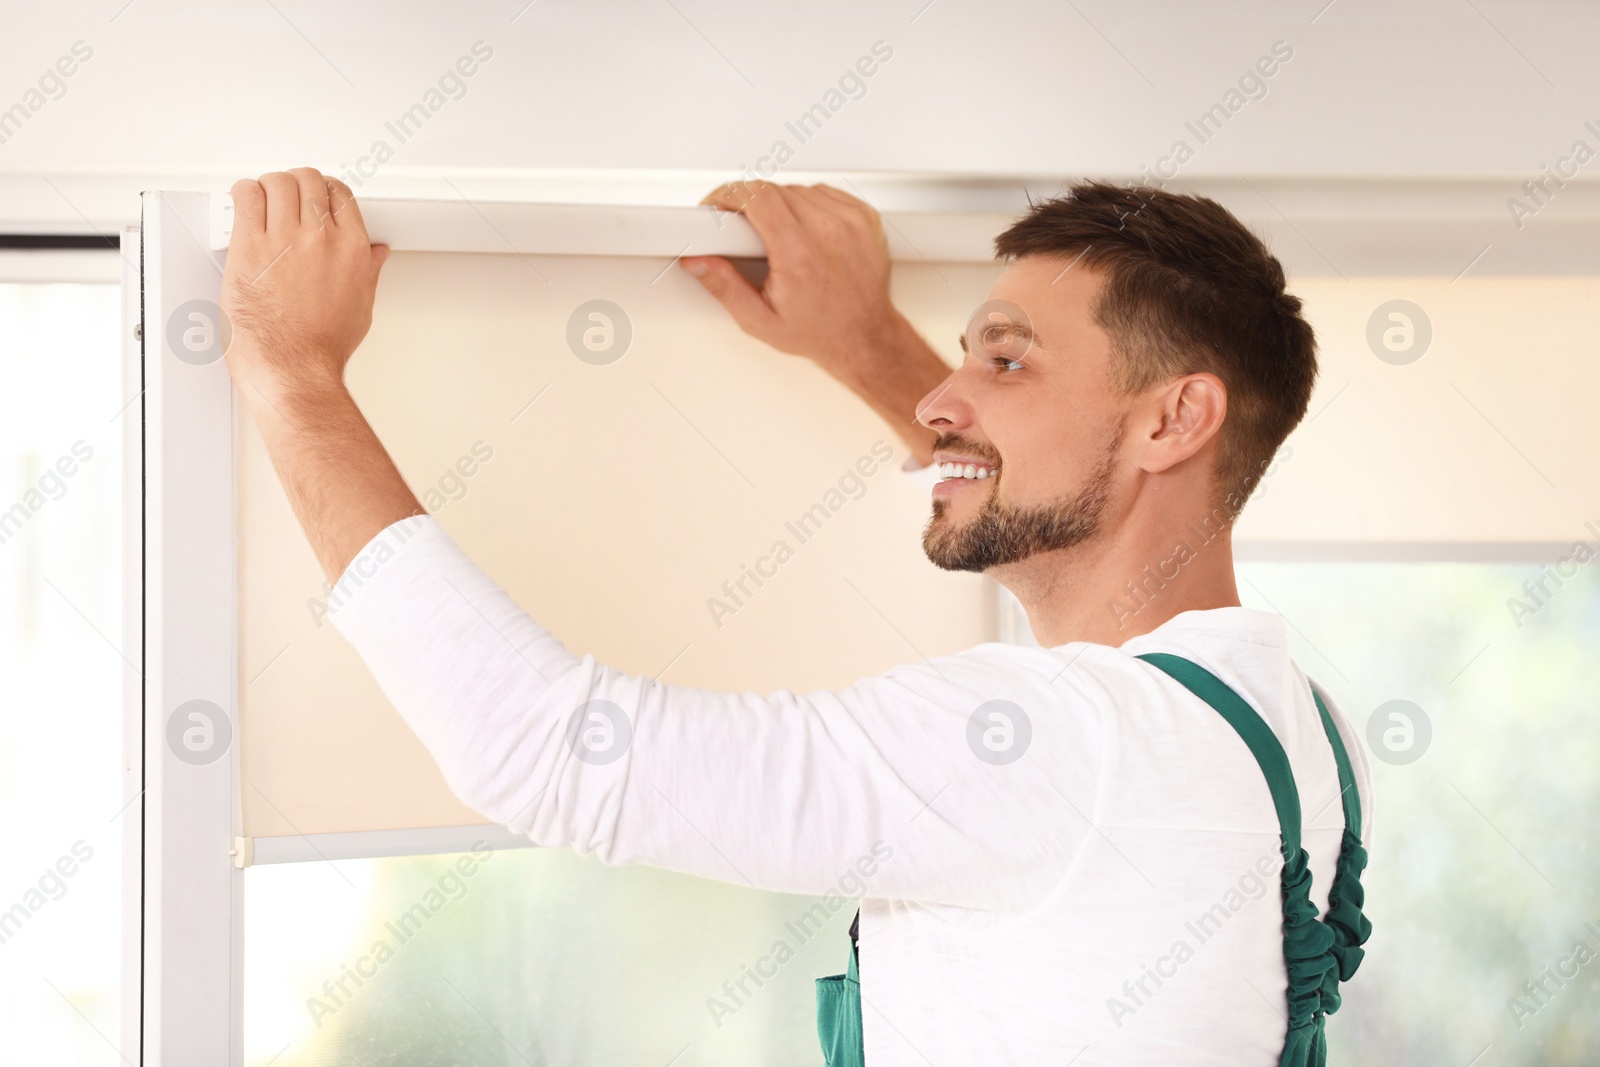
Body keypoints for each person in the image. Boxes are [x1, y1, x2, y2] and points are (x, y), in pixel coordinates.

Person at [219, 168, 1372, 1066]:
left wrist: (293, 372)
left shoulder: (1051, 746)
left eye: (1007, 360)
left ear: (1175, 421)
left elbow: (546, 752)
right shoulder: (1296, 728)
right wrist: (864, 340)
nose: (941, 398)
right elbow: (1065, 494)